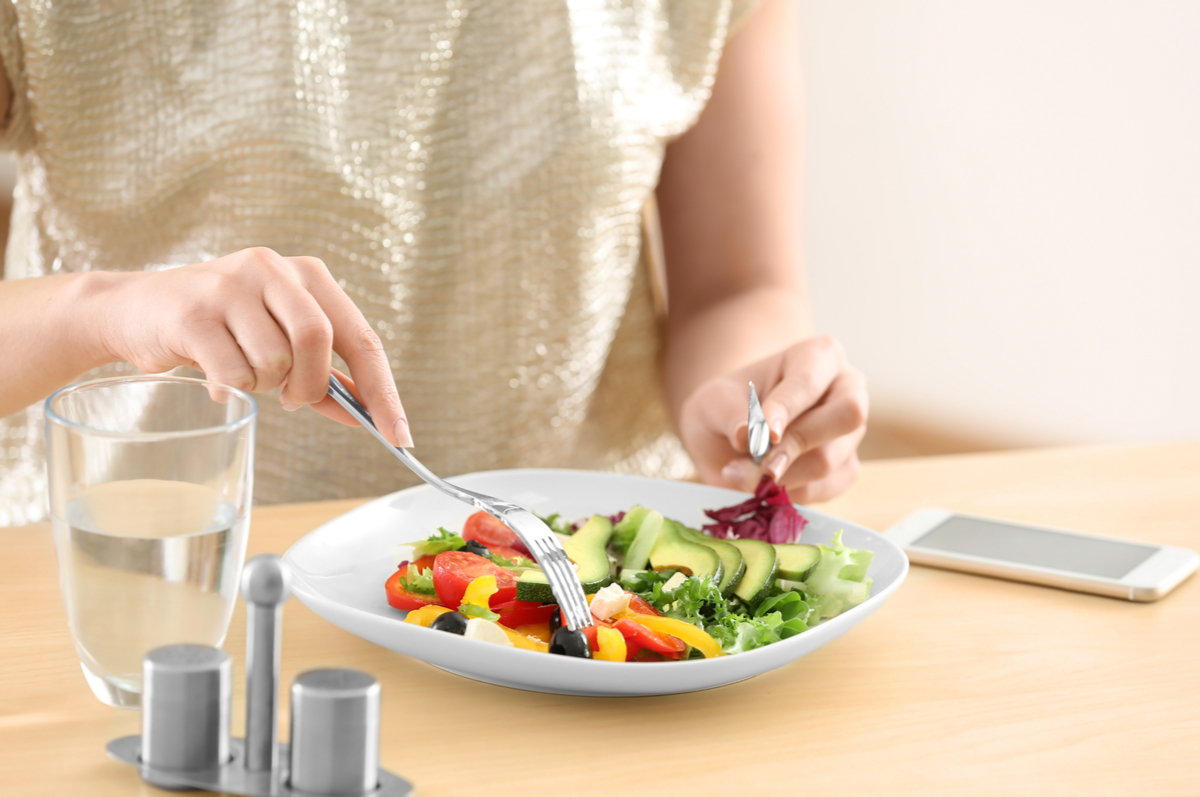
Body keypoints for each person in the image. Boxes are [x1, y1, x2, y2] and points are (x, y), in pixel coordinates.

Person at [0, 0, 866, 526]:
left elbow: (737, 285)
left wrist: (760, 406)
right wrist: (105, 307)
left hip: (581, 599)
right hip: (159, 587)